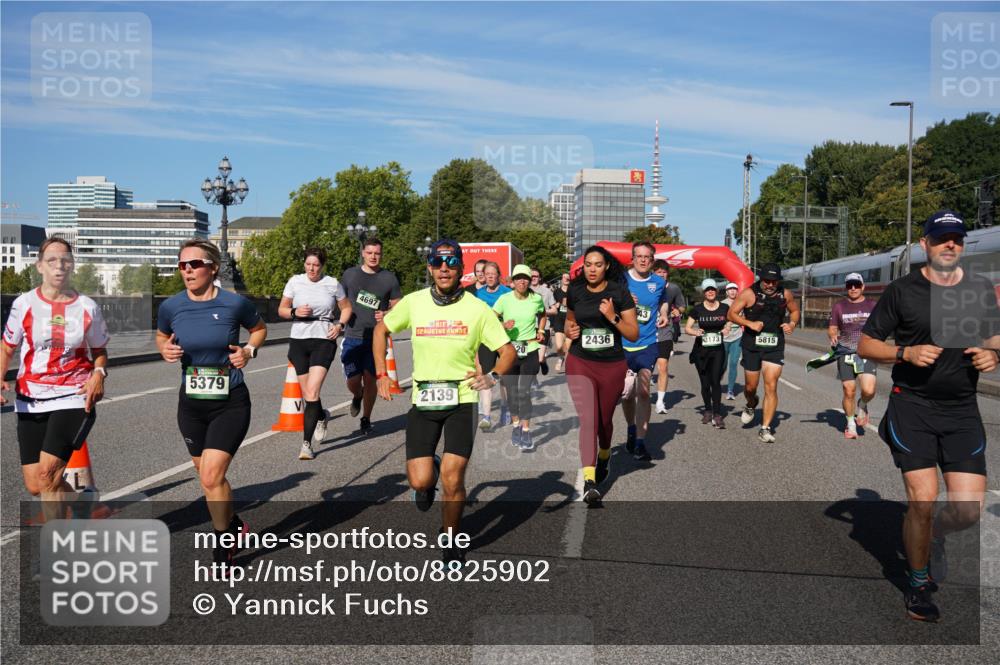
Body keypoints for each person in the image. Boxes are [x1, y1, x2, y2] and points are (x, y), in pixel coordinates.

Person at [859, 210, 1000, 622]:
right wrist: (905, 352)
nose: (949, 244)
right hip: (913, 406)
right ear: (925, 244)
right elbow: (867, 344)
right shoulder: (903, 290)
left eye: (956, 238)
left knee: (968, 511)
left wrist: (993, 352)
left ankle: (934, 535)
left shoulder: (977, 288)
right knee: (921, 500)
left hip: (961, 410)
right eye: (941, 238)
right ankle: (918, 583)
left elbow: (992, 332)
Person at [374, 240, 514, 566]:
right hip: (423, 401)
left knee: (454, 478)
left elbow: (507, 351)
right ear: (430, 268)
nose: (444, 268)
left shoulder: (477, 309)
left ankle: (451, 538)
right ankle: (428, 476)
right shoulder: (414, 302)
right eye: (438, 263)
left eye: (451, 263)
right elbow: (381, 330)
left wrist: (492, 376)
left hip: (462, 400)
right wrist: (382, 372)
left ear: (462, 268)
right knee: (421, 480)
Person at [156, 239, 267, 566]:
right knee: (206, 475)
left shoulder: (234, 304)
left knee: (210, 476)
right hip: (191, 405)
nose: (187, 270)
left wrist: (248, 351)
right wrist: (164, 349)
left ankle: (223, 546)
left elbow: (259, 329)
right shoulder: (171, 307)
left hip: (229, 401)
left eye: (195, 264)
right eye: (182, 265)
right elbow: (162, 335)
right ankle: (235, 525)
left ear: (213, 267)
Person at [1, 237, 109, 523]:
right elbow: (7, 346)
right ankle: (81, 500)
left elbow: (99, 351)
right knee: (36, 485)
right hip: (30, 399)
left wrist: (99, 373)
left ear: (72, 266)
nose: (59, 266)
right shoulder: (23, 304)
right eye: (52, 260)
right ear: (39, 266)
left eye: (65, 260)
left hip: (73, 396)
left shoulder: (87, 307)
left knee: (48, 475)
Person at [563, 246, 639, 505]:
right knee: (589, 420)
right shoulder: (574, 290)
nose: (592, 269)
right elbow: (569, 322)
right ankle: (589, 481)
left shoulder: (618, 292)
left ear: (606, 266)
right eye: (588, 265)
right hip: (580, 361)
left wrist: (612, 316)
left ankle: (605, 454)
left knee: (604, 421)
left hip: (612, 364)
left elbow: (632, 334)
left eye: (597, 264)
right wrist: (570, 332)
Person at [278, 248, 352, 460]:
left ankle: (306, 445)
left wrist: (340, 325)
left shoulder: (331, 283)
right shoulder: (295, 282)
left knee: (312, 392)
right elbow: (282, 309)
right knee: (308, 394)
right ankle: (321, 415)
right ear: (304, 264)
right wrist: (294, 312)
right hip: (299, 340)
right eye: (309, 264)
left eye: (316, 265)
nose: (312, 268)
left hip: (323, 338)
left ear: (322, 266)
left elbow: (346, 308)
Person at [727, 263, 800, 443]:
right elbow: (731, 314)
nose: (770, 285)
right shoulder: (749, 294)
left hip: (774, 345)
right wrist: (749, 324)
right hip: (752, 345)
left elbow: (795, 311)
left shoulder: (785, 294)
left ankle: (765, 428)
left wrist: (792, 324)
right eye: (767, 281)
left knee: (771, 385)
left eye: (774, 282)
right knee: (750, 388)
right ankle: (751, 404)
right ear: (761, 279)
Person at [340, 238, 402, 435]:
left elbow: (398, 306)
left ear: (381, 255)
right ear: (363, 254)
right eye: (370, 253)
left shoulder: (389, 278)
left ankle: (366, 417)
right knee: (353, 379)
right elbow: (339, 300)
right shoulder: (350, 275)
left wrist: (386, 314)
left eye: (377, 253)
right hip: (352, 335)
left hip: (376, 337)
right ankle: (356, 395)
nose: (373, 256)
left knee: (370, 378)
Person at [622, 242, 669, 461]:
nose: (642, 260)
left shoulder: (658, 282)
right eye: (638, 256)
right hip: (622, 345)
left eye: (647, 257)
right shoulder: (621, 280)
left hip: (647, 344)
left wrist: (664, 313)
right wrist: (623, 301)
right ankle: (631, 427)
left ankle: (640, 442)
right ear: (632, 258)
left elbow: (663, 300)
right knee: (627, 394)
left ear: (652, 260)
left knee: (643, 391)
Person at [494, 264, 547, 451]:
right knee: (512, 393)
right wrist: (502, 325)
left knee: (524, 392)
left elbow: (543, 314)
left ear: (530, 280)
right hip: (510, 352)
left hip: (530, 349)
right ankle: (515, 426)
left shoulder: (536, 299)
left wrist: (540, 329)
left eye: (525, 278)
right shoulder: (504, 299)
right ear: (513, 281)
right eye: (518, 278)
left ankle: (526, 430)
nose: (522, 281)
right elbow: (492, 318)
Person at [827, 272, 877, 440]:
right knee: (849, 390)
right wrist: (833, 335)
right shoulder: (839, 307)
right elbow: (833, 327)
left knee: (868, 390)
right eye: (850, 285)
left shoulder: (873, 305)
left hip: (866, 352)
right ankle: (850, 424)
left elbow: (883, 325)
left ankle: (862, 404)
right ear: (846, 288)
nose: (853, 288)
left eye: (856, 285)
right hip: (845, 351)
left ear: (863, 287)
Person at [685, 279, 730, 428]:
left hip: (717, 350)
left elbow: (731, 320)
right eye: (707, 290)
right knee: (705, 383)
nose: (710, 292)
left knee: (715, 381)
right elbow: (688, 328)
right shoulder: (698, 309)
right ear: (703, 293)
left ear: (716, 291)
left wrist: (727, 328)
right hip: (701, 351)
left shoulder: (724, 308)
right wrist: (695, 331)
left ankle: (717, 414)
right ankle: (708, 410)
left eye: (712, 289)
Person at [474, 262, 512, 430]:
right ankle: (487, 416)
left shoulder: (507, 293)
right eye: (486, 273)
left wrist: (502, 325)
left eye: (492, 273)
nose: (489, 276)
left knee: (503, 377)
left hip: (504, 340)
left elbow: (512, 317)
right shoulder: (478, 294)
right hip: (485, 341)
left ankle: (505, 408)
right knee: (485, 376)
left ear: (498, 275)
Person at [653, 260, 686, 414]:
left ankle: (660, 401)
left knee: (663, 367)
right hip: (645, 332)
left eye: (664, 272)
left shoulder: (673, 288)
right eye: (658, 272)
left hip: (665, 332)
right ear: (653, 273)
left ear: (668, 274)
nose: (661, 274)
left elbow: (682, 306)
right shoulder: (646, 286)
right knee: (643, 370)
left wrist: (677, 311)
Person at [530, 268, 556, 376]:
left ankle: (543, 362)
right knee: (531, 359)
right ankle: (533, 381)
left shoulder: (547, 292)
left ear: (540, 278)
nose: (534, 278)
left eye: (536, 276)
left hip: (543, 327)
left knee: (539, 358)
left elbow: (554, 310)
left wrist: (541, 311)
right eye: (532, 276)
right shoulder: (524, 291)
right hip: (528, 328)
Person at [721, 282, 743, 400]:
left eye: (734, 289)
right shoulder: (722, 304)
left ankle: (730, 390)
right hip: (724, 338)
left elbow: (745, 317)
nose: (732, 291)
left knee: (734, 363)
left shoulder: (741, 303)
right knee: (722, 365)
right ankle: (716, 384)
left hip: (737, 336)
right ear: (726, 292)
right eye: (730, 289)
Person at [551, 272, 571, 372]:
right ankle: (560, 357)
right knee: (559, 346)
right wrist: (556, 305)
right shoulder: (556, 292)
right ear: (562, 279)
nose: (566, 279)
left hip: (570, 321)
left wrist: (569, 304)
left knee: (567, 345)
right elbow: (552, 305)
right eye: (564, 277)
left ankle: (561, 360)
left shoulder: (573, 291)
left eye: (568, 277)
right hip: (559, 320)